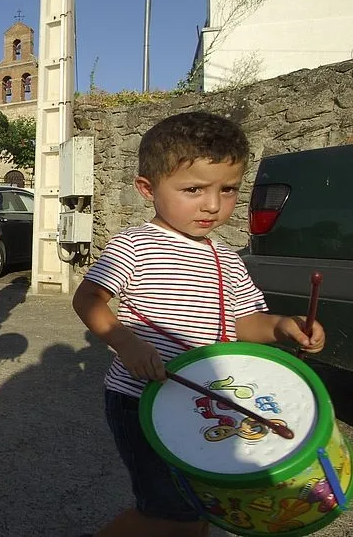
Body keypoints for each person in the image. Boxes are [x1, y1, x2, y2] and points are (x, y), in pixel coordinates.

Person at [71, 112, 326, 537]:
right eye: (194, 190)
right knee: (167, 512)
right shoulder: (135, 245)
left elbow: (244, 322)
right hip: (143, 400)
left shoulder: (227, 257)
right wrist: (125, 342)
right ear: (147, 188)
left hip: (205, 402)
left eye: (228, 189)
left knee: (200, 503)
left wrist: (284, 326)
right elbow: (88, 298)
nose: (212, 204)